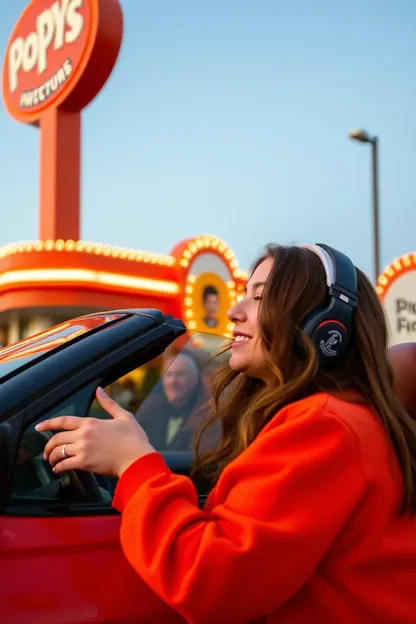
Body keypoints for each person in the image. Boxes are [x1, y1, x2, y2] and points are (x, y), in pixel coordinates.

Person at [37, 242, 416, 624]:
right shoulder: (335, 420)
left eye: (260, 297)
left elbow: (208, 582)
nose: (235, 313)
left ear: (323, 324)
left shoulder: (326, 426)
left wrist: (133, 464)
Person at [134, 351, 201, 451]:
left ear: (194, 378)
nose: (173, 381)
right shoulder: (150, 409)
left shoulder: (206, 413)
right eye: (168, 375)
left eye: (180, 374)